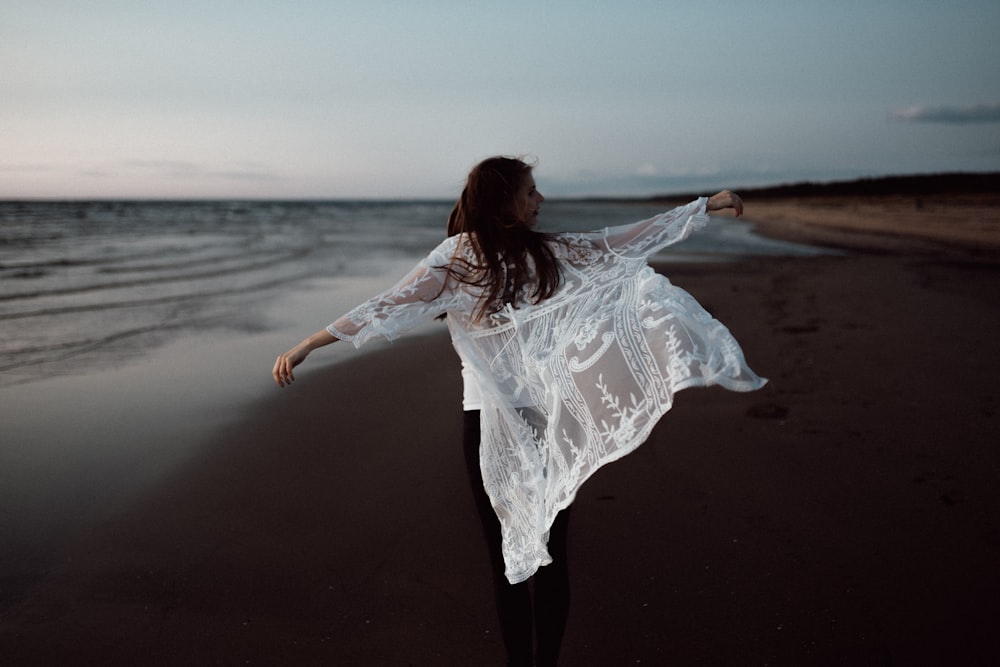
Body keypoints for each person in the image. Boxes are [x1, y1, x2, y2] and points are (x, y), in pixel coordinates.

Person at [273, 156, 766, 666]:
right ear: (504, 198)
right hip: (516, 421)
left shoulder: (540, 251)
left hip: (533, 419)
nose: (540, 199)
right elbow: (392, 303)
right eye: (530, 191)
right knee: (530, 558)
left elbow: (616, 241)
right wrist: (313, 341)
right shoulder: (461, 258)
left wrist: (699, 209)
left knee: (523, 559)